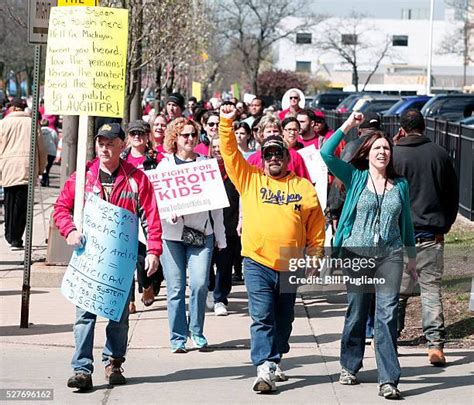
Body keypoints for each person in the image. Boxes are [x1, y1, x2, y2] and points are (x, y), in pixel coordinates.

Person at [219, 104, 326, 393]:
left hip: (291, 262)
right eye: (269, 153)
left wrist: (316, 256)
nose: (274, 157)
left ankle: (276, 356)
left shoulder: (302, 186)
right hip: (256, 260)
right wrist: (226, 122)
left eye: (279, 153)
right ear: (262, 158)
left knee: (284, 318)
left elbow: (317, 225)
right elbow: (229, 154)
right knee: (262, 316)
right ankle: (264, 366)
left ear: (287, 157)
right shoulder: (250, 179)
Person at [53, 123, 162, 390]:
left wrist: (154, 250)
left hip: (120, 263)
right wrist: (70, 231)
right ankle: (81, 369)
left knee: (119, 317)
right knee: (84, 317)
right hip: (88, 262)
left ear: (121, 146)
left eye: (110, 142)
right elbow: (61, 208)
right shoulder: (83, 177)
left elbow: (151, 216)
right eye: (101, 142)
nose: (104, 147)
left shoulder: (137, 179)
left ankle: (114, 361)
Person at [320, 112, 417, 400]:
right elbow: (326, 153)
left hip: (390, 254)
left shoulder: (399, 185)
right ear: (367, 152)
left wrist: (411, 258)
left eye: (387, 148)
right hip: (357, 251)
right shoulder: (356, 177)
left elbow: (407, 224)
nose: (383, 152)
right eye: (377, 148)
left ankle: (388, 379)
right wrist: (347, 125)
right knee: (358, 311)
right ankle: (349, 364)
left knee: (386, 317)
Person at [393, 109, 459, 367]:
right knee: (431, 291)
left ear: (402, 128)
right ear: (424, 126)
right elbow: (452, 194)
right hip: (431, 232)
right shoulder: (440, 154)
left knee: (397, 293)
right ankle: (435, 346)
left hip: (399, 236)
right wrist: (446, 224)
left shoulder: (394, 154)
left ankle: (391, 339)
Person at [159, 117, 226, 353]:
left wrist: (221, 236)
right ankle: (178, 337)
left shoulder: (206, 165)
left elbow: (216, 206)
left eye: (193, 135)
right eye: (184, 135)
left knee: (199, 284)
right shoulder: (164, 166)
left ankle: (196, 332)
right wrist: (170, 215)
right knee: (175, 289)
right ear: (174, 139)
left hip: (202, 234)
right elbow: (159, 202)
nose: (189, 139)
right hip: (172, 237)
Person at [121, 120, 164, 314]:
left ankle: (147, 285)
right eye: (133, 133)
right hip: (126, 212)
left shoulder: (157, 159)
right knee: (126, 259)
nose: (137, 136)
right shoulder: (121, 159)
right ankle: (128, 299)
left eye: (141, 133)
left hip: (149, 213)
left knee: (142, 259)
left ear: (147, 137)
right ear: (128, 138)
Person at [0, 97, 46, 249]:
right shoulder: (33, 123)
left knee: (9, 202)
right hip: (28, 167)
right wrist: (40, 169)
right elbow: (41, 149)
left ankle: (9, 234)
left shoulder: (3, 123)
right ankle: (16, 238)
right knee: (23, 206)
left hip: (8, 167)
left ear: (12, 108)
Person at [207, 135, 240, 316]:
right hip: (206, 225)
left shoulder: (235, 169)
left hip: (229, 223)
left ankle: (221, 298)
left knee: (225, 264)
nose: (218, 150)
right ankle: (211, 290)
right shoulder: (203, 168)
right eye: (215, 146)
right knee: (207, 262)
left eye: (221, 146)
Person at [247, 115, 312, 182]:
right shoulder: (253, 159)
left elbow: (305, 182)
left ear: (281, 133)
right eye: (269, 131)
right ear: (262, 134)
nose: (272, 134)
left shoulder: (294, 156)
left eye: (275, 131)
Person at [39, 118, 59, 187]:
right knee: (48, 167)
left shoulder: (40, 130)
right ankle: (45, 180)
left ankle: (44, 180)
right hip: (51, 151)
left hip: (42, 151)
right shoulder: (53, 131)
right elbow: (56, 141)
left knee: (43, 167)